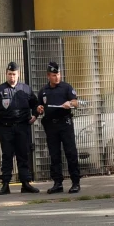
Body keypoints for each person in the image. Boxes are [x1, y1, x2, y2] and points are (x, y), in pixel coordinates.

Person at [0, 61, 39, 194]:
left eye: (14, 74)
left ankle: (25, 183)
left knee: (23, 155)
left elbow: (35, 104)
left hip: (22, 127)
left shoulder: (25, 89)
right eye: (9, 74)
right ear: (6, 74)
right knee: (7, 155)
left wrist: (36, 115)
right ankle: (5, 184)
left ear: (18, 74)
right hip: (6, 128)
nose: (12, 77)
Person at [37, 61, 81, 194]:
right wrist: (38, 109)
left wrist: (70, 103)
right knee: (54, 154)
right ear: (48, 76)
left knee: (71, 153)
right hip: (51, 126)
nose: (57, 77)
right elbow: (40, 107)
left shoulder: (66, 87)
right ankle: (57, 183)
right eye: (54, 75)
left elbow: (76, 102)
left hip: (65, 124)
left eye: (58, 74)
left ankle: (75, 182)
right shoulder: (43, 92)